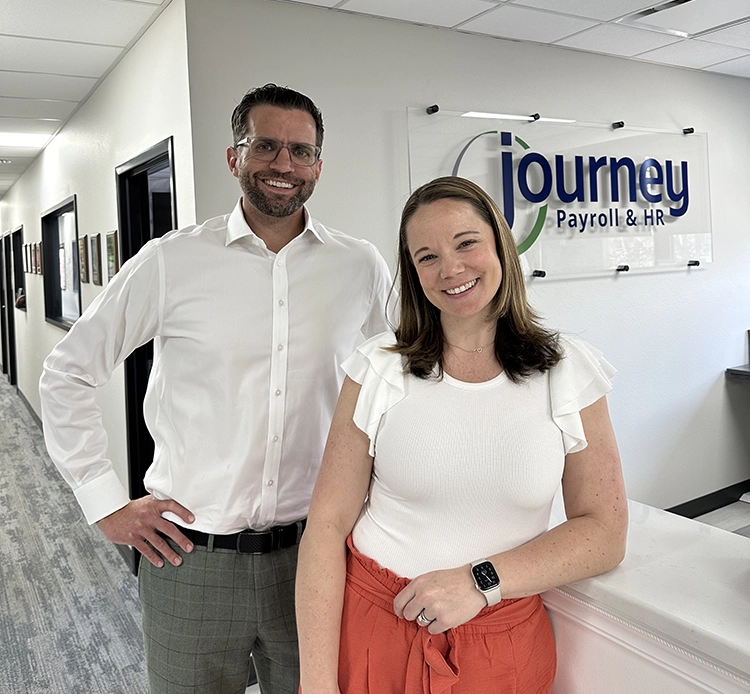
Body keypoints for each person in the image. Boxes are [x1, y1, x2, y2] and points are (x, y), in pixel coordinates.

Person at [40, 84, 393, 694]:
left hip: (316, 556)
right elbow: (66, 371)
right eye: (267, 147)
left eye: (302, 152)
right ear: (235, 157)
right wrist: (104, 503)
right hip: (189, 560)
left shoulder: (359, 267)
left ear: (318, 165)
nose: (285, 165)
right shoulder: (171, 261)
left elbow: (401, 385)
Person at [296, 176, 628, 693]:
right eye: (426, 256)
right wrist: (316, 681)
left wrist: (481, 580)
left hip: (502, 645)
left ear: (500, 243)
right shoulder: (379, 367)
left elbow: (605, 533)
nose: (450, 269)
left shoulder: (568, 370)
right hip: (374, 627)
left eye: (466, 243)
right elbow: (326, 524)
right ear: (412, 272)